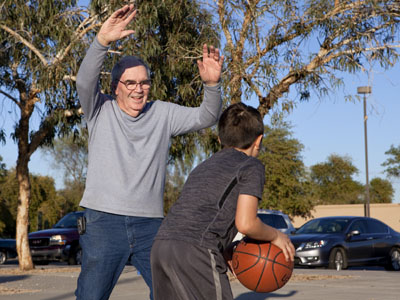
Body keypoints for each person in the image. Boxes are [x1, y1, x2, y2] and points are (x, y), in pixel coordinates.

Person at [74, 4, 224, 300]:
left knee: (171, 293)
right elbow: (83, 80)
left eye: (144, 82)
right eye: (130, 82)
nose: (138, 89)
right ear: (115, 86)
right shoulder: (98, 109)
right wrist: (102, 41)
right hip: (103, 222)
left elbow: (206, 116)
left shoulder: (163, 114)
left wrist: (212, 85)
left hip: (151, 224)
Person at [151, 102, 295, 300]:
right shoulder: (251, 165)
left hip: (161, 246)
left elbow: (202, 212)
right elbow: (246, 223)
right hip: (197, 251)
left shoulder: (202, 167)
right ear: (258, 140)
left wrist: (225, 248)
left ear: (220, 139)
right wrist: (276, 236)